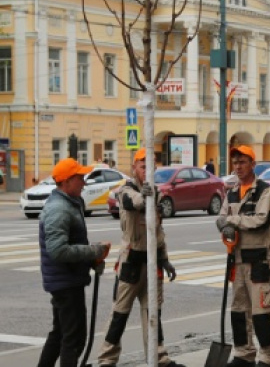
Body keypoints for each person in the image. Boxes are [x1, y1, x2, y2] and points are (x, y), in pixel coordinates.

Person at [97, 149, 183, 367]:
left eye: (152, 167)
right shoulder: (125, 190)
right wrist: (145, 196)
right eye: (144, 166)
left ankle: (159, 359)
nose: (148, 171)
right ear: (134, 168)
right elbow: (131, 202)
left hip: (152, 261)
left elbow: (158, 230)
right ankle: (107, 360)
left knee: (153, 313)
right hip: (131, 263)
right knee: (119, 315)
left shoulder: (156, 192)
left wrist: (164, 258)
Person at [38, 158, 111, 367]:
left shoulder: (69, 203)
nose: (84, 182)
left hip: (66, 280)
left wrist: (91, 259)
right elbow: (58, 250)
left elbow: (71, 243)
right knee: (74, 338)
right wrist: (93, 251)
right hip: (65, 283)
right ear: (66, 181)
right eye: (80, 177)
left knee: (60, 334)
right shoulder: (59, 209)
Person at [214, 146, 270, 367]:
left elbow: (261, 221)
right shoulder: (231, 192)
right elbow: (221, 217)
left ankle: (268, 356)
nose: (238, 167)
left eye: (242, 162)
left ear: (253, 164)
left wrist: (232, 222)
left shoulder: (264, 191)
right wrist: (224, 226)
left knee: (261, 312)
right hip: (237, 259)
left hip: (258, 259)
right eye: (235, 163)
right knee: (238, 310)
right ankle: (244, 353)